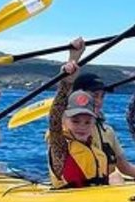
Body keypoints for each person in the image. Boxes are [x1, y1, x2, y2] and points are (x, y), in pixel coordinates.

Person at [46, 38, 121, 189]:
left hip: (97, 201)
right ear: (65, 121)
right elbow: (55, 115)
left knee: (116, 177)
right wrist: (66, 81)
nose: (82, 126)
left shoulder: (97, 151)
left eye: (87, 122)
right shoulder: (60, 147)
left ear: (94, 122)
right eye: (75, 121)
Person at [72, 71, 135, 182]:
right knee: (115, 177)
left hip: (104, 190)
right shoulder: (67, 126)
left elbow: (126, 168)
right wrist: (73, 59)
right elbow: (60, 103)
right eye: (95, 96)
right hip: (77, 191)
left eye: (102, 96)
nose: (99, 101)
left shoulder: (107, 131)